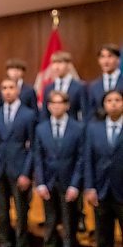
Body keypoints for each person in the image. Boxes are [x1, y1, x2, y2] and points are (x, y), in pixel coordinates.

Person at [0, 78, 36, 247]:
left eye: (11, 88)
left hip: (20, 168)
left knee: (21, 212)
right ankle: (4, 242)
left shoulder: (29, 114)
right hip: (0, 168)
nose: (7, 91)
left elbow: (33, 147)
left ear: (18, 90)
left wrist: (26, 173)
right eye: (4, 88)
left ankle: (21, 242)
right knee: (2, 211)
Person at [34, 91, 84, 247]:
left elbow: (81, 158)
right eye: (53, 103)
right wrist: (40, 183)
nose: (56, 106)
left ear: (67, 105)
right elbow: (38, 157)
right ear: (48, 106)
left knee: (69, 224)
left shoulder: (78, 128)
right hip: (48, 183)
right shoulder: (41, 128)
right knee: (50, 221)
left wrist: (75, 185)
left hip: (69, 182)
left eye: (60, 103)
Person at [84, 89, 123, 247]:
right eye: (109, 100)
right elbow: (88, 159)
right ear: (103, 105)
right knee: (103, 238)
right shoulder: (93, 129)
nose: (113, 103)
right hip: (101, 191)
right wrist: (89, 187)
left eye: (118, 100)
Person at [40, 51, 87, 122]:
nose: (56, 67)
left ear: (69, 65)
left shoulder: (79, 87)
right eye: (54, 63)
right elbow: (44, 113)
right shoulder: (48, 88)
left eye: (60, 63)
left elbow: (84, 112)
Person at [87, 44, 123, 120]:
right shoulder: (93, 86)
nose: (106, 61)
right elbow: (90, 112)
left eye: (110, 56)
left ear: (118, 60)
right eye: (102, 57)